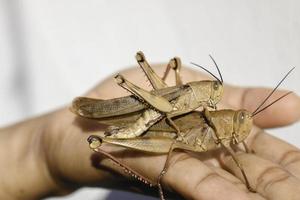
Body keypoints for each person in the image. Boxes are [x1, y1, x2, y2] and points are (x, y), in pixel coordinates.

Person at [0, 65, 300, 200]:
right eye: (242, 119)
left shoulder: (216, 115)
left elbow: (234, 144)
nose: (244, 127)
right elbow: (178, 140)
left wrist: (40, 155)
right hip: (162, 129)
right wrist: (40, 154)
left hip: (168, 118)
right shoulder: (208, 111)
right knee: (172, 143)